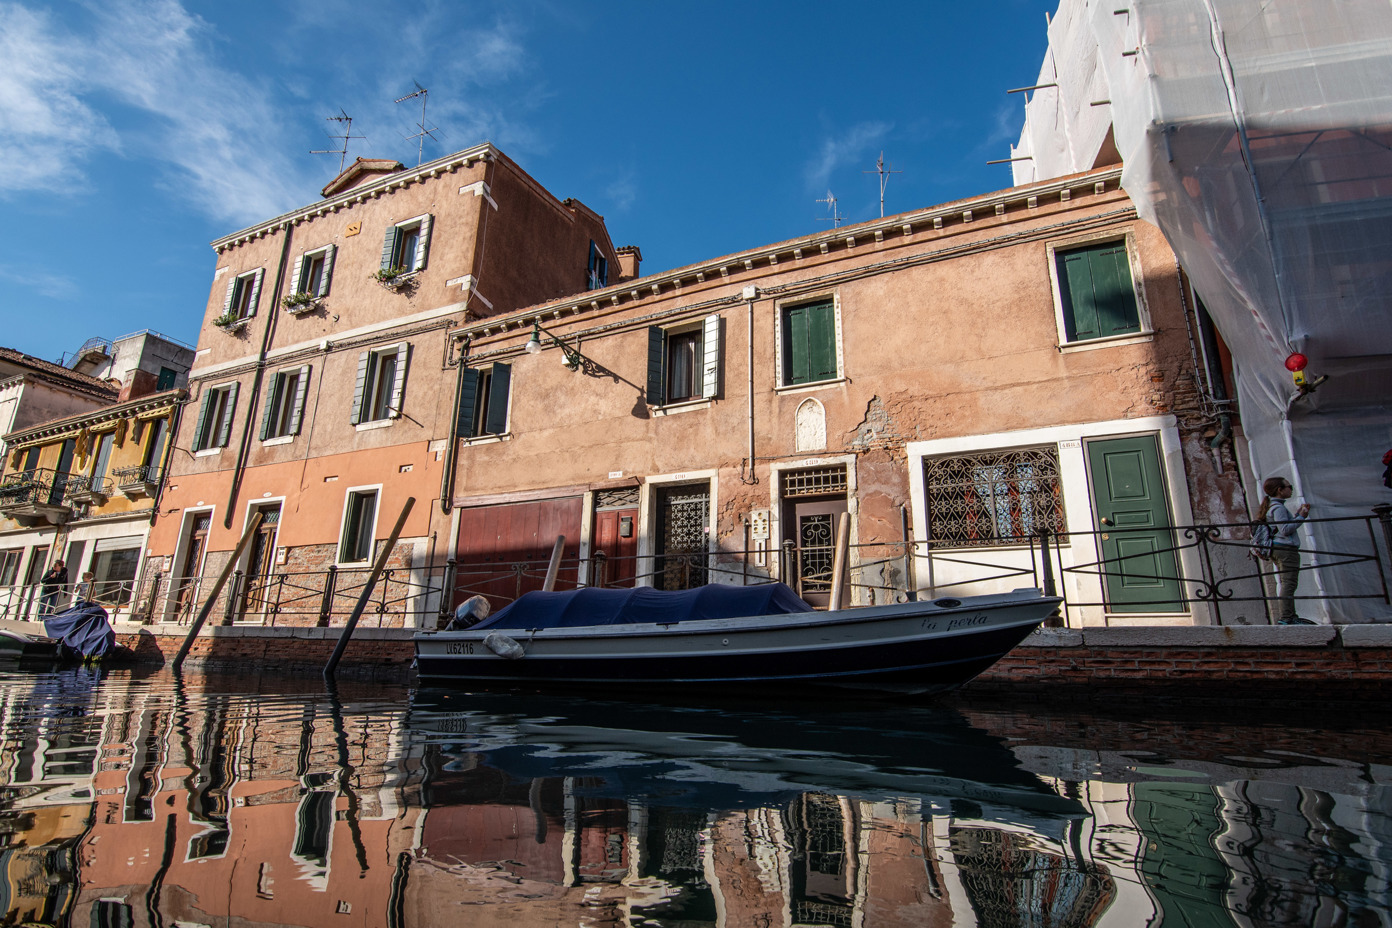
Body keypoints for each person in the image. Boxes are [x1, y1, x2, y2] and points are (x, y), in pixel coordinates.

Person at [1256, 476, 1312, 625]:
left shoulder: (1273, 506)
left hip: (1278, 547)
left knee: (1286, 582)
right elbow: (1285, 530)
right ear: (1280, 490)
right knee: (1289, 583)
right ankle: (1287, 617)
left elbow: (1281, 527)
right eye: (1289, 487)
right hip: (1285, 549)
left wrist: (1296, 516)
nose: (1291, 489)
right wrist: (1301, 517)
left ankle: (1290, 616)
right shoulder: (1278, 507)